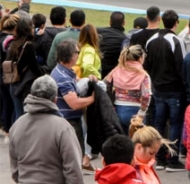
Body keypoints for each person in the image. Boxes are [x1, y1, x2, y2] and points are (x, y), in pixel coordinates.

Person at [144, 9, 187, 172]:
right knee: (175, 123)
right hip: (174, 88)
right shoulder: (176, 41)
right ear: (176, 23)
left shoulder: (151, 40)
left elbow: (147, 63)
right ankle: (173, 158)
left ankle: (160, 157)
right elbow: (181, 65)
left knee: (159, 122)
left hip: (158, 87)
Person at [50, 39, 96, 173]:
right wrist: (93, 98)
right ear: (70, 55)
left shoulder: (63, 71)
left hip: (65, 119)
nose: (78, 55)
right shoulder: (63, 77)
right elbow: (74, 103)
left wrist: (87, 80)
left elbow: (76, 83)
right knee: (74, 157)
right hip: (69, 121)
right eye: (77, 52)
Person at [105, 45, 152, 135]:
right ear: (140, 58)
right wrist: (141, 113)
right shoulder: (143, 74)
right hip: (135, 111)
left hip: (117, 110)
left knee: (122, 143)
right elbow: (146, 96)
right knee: (137, 142)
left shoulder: (116, 70)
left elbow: (105, 84)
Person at [7, 16, 44, 118]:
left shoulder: (14, 44)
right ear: (28, 29)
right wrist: (44, 74)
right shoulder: (28, 46)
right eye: (32, 27)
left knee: (17, 112)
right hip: (23, 85)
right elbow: (34, 67)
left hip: (13, 83)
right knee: (23, 116)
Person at [97, 11, 127, 78]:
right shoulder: (125, 38)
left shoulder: (98, 31)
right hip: (112, 71)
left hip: (99, 68)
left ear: (110, 21)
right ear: (124, 23)